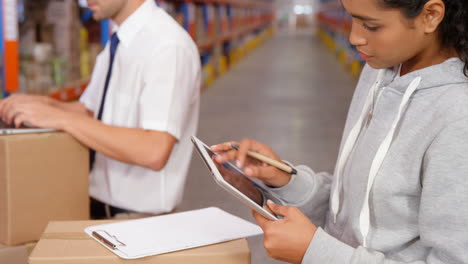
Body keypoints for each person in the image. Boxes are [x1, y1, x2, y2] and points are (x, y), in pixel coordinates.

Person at [212, 0, 468, 262]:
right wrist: (287, 180)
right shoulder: (377, 73)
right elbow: (354, 206)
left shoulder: (458, 117)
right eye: (353, 19)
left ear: (430, 15)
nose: (354, 37)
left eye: (371, 26)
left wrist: (317, 253)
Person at [0, 0, 201, 219]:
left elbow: (154, 150)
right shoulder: (120, 42)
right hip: (99, 207)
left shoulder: (167, 46)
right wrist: (39, 105)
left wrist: (60, 118)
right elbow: (91, 111)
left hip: (138, 220)